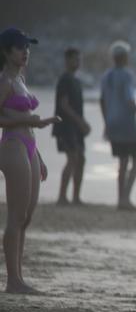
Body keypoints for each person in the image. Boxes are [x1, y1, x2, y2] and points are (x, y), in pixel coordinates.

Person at [0, 27, 58, 294]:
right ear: (6, 51)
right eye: (20, 47)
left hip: (30, 146)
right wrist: (30, 120)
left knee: (27, 216)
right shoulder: (4, 81)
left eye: (28, 48)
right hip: (12, 145)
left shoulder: (21, 77)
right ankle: (12, 280)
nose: (25, 52)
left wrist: (40, 155)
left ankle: (19, 278)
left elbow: (30, 123)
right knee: (16, 215)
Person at [100, 40, 136, 211]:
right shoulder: (127, 75)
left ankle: (120, 198)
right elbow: (130, 100)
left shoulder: (106, 75)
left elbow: (102, 101)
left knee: (122, 161)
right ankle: (125, 197)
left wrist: (106, 122)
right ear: (123, 57)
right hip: (127, 124)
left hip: (112, 122)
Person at [52, 47, 91, 206]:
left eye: (79, 59)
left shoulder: (76, 80)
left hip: (75, 128)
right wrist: (80, 122)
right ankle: (62, 197)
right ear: (67, 60)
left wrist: (82, 123)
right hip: (66, 126)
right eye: (75, 59)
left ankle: (76, 197)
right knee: (72, 158)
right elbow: (64, 105)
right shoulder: (65, 79)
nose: (78, 62)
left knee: (81, 159)